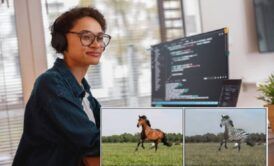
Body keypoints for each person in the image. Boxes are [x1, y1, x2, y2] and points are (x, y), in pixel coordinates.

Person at [12, 6, 111, 166]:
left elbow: (107, 128)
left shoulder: (82, 89)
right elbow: (93, 144)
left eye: (100, 38)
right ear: (62, 40)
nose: (96, 44)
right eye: (86, 37)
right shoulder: (51, 84)